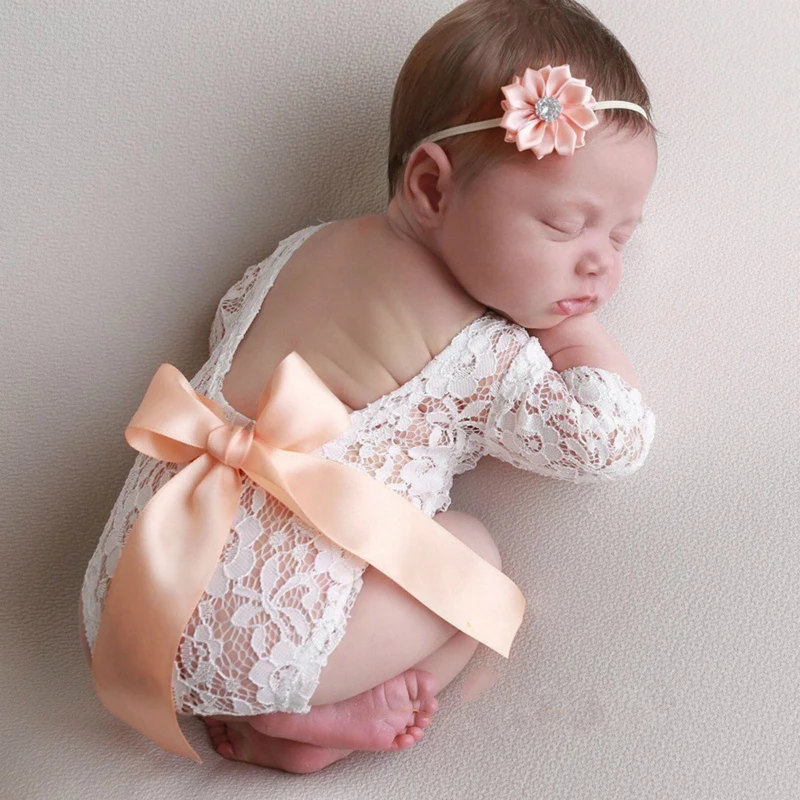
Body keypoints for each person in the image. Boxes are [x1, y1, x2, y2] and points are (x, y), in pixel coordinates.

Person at [79, 0, 659, 775]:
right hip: (271, 642)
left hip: (122, 599)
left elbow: (227, 317)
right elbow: (605, 442)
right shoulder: (478, 348)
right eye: (564, 226)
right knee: (477, 561)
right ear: (431, 188)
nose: (600, 264)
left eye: (621, 237)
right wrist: (574, 334)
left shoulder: (300, 249)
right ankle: (304, 715)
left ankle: (269, 712)